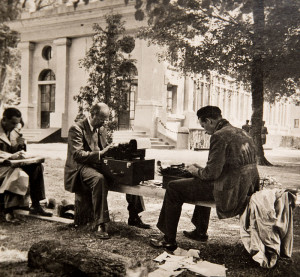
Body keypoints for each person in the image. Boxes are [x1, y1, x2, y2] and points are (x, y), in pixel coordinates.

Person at [150, 106, 260, 251]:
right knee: (199, 182)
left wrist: (195, 170)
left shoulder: (219, 136)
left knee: (173, 187)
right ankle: (200, 232)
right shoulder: (242, 132)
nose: (205, 131)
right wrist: (200, 170)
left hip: (230, 191)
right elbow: (226, 166)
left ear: (209, 121)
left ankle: (168, 239)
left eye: (203, 126)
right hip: (247, 187)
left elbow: (211, 174)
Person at [64, 103, 150, 239]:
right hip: (80, 167)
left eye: (105, 119)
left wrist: (116, 152)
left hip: (98, 164)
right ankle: (101, 223)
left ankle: (134, 216)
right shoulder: (76, 129)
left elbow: (104, 150)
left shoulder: (101, 129)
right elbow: (77, 155)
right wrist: (101, 154)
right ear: (92, 115)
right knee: (99, 179)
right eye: (101, 119)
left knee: (130, 173)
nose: (104, 122)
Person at [0, 108, 52, 223]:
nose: (14, 126)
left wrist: (19, 147)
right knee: (16, 172)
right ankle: (9, 211)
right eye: (12, 123)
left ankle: (36, 204)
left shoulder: (13, 131)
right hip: (2, 166)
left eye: (16, 123)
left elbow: (12, 148)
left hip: (9, 164)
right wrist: (10, 156)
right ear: (4, 119)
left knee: (36, 167)